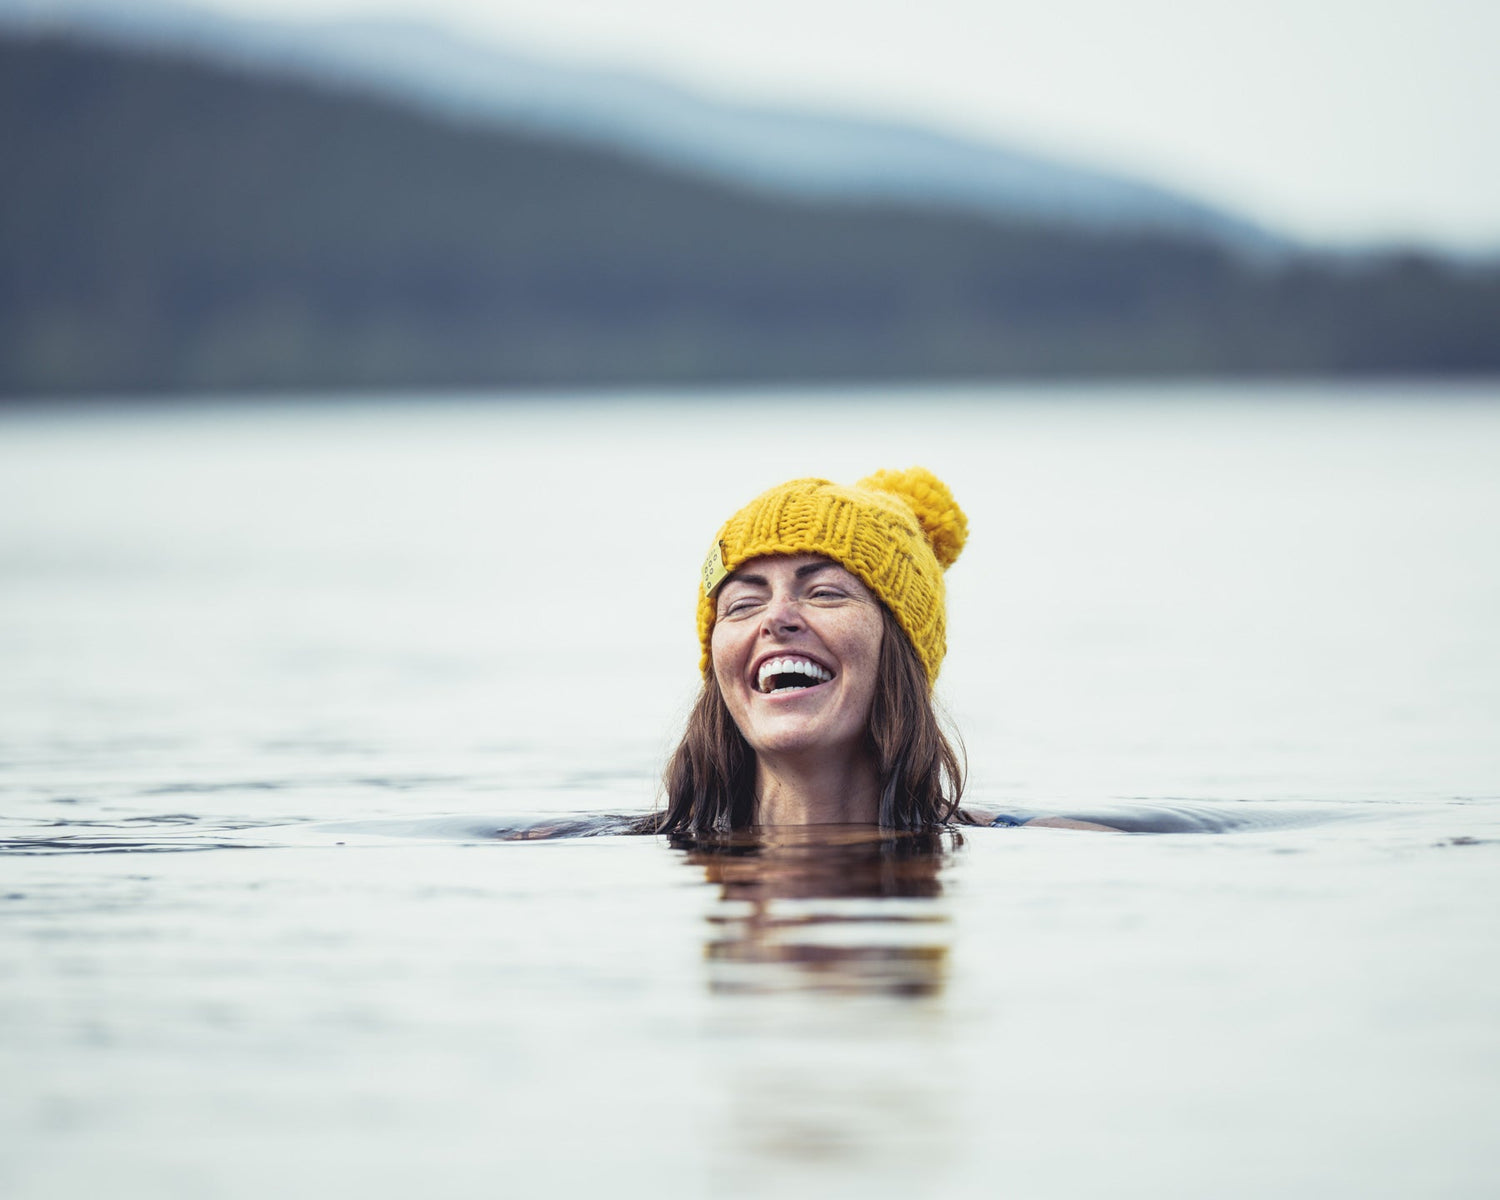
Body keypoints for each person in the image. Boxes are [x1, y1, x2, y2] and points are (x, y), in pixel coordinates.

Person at [658, 467, 1113, 835]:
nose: (776, 617)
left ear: (902, 650)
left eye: (824, 593)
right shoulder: (611, 847)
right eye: (743, 604)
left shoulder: (1063, 843)